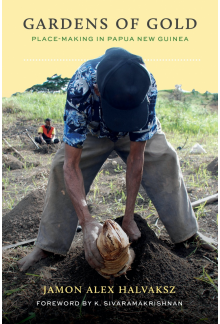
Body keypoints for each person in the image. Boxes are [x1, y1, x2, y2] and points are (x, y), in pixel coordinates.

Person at [18, 47, 216, 272]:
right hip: (93, 131)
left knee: (165, 158)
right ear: (97, 91)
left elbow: (136, 157)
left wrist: (128, 217)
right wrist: (87, 221)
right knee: (59, 168)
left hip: (134, 127)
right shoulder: (80, 86)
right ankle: (48, 247)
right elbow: (71, 165)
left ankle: (187, 235)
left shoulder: (146, 85)